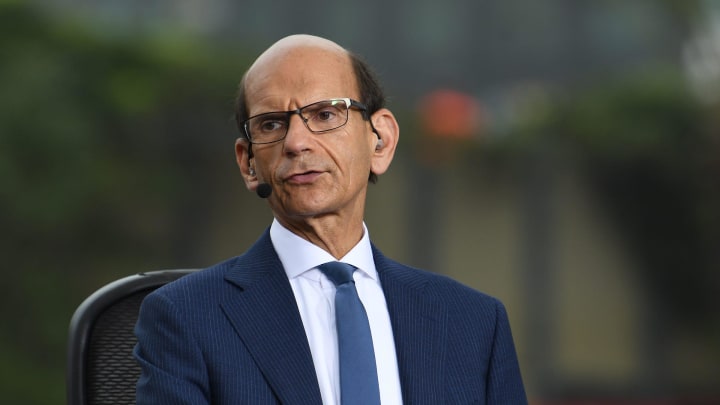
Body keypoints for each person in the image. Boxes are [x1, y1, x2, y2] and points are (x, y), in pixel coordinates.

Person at [134, 34, 527, 405]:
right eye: (271, 124)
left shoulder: (474, 323)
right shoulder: (186, 318)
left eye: (324, 114)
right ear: (248, 163)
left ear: (381, 140)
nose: (296, 142)